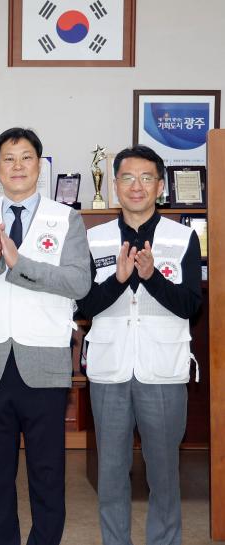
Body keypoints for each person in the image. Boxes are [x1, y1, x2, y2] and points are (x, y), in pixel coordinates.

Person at [0, 127, 91, 545]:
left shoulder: (65, 218)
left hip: (43, 364)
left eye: (26, 157)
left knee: (47, 473)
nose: (17, 166)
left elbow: (79, 282)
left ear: (39, 166)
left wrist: (19, 263)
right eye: (8, 159)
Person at [77, 145, 201, 545]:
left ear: (160, 187)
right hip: (109, 370)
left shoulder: (182, 238)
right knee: (111, 473)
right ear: (115, 185)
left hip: (162, 371)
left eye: (146, 178)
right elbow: (83, 306)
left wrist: (152, 277)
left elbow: (191, 306)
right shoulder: (94, 239)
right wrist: (118, 280)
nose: (136, 186)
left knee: (163, 473)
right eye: (128, 178)